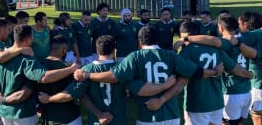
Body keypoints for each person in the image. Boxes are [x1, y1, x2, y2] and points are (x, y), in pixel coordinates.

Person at [74, 26, 224, 124]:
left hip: (148, 115)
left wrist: (87, 76)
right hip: (171, 114)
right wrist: (214, 71)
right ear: (157, 39)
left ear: (139, 42)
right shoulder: (170, 55)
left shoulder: (135, 57)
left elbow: (114, 76)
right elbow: (194, 73)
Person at [39, 34, 177, 125]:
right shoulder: (122, 69)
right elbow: (140, 89)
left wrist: (49, 99)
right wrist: (164, 86)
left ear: (97, 51)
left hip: (97, 121)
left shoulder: (85, 70)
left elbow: (71, 94)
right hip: (119, 120)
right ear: (114, 51)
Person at [0, 24, 79, 125]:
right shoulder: (27, 60)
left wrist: (0, 99)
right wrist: (72, 68)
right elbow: (45, 77)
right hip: (22, 113)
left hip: (4, 112)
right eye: (33, 37)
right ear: (29, 39)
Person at [178, 21, 253, 125]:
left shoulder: (186, 52)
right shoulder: (216, 49)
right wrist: (250, 75)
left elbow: (181, 79)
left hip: (197, 104)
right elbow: (236, 69)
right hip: (217, 103)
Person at [37, 36, 82, 125]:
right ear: (64, 50)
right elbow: (75, 93)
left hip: (49, 117)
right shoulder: (71, 68)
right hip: (70, 116)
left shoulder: (37, 66)